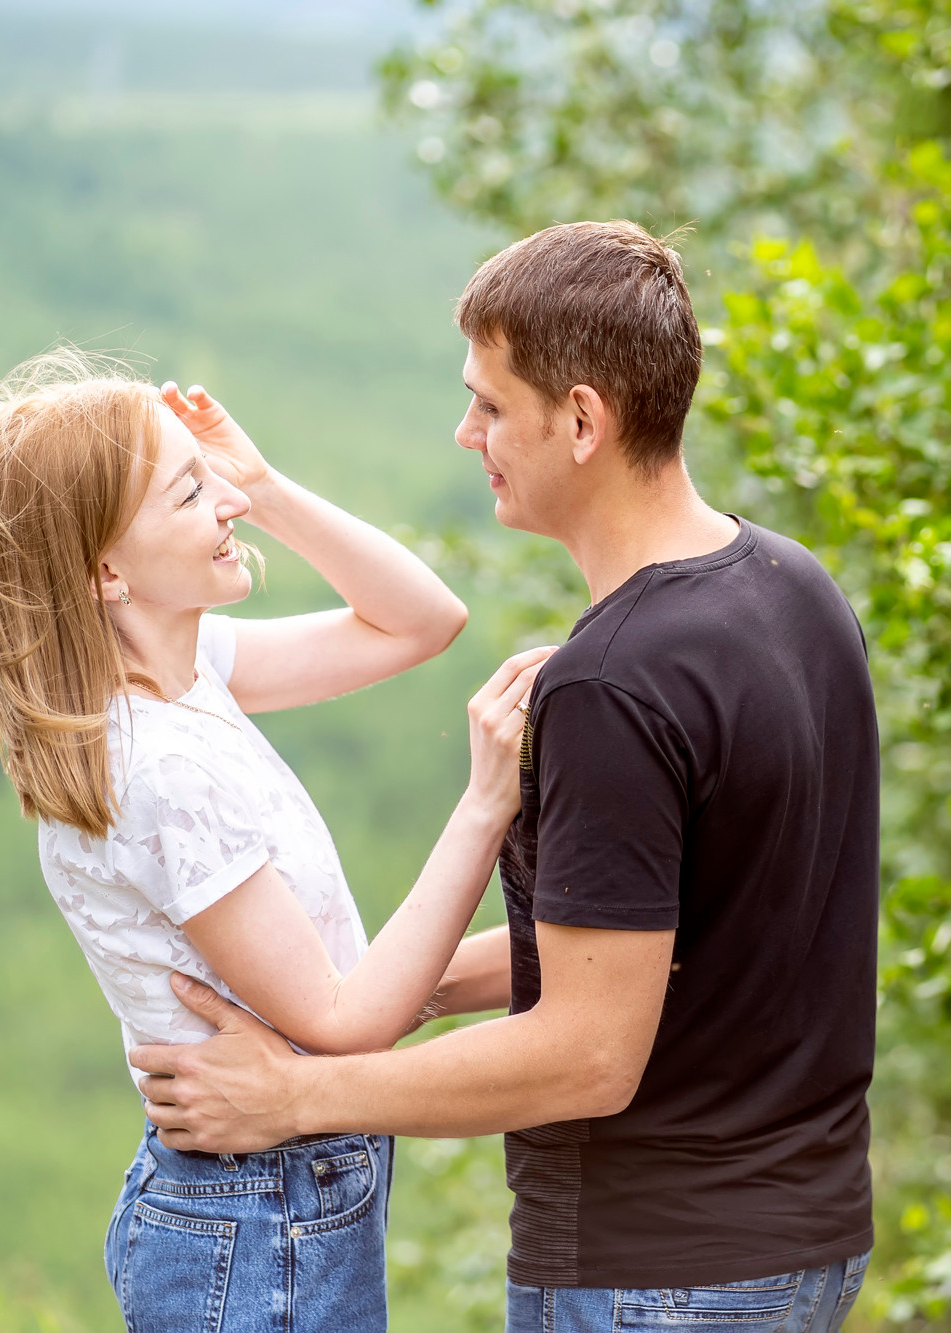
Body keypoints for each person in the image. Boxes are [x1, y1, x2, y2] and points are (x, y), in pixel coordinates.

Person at [130, 221, 881, 1333]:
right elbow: (673, 933)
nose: (464, 430)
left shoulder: (611, 684)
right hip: (798, 1246)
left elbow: (583, 1055)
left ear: (581, 419)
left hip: (652, 1275)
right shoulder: (789, 586)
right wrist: (400, 988)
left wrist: (296, 1096)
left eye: (489, 404)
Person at [0, 348, 550, 1332]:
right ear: (106, 570)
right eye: (190, 493)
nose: (222, 500)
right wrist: (486, 803)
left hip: (273, 1194)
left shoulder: (187, 675)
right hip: (256, 1212)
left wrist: (266, 488)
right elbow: (344, 1019)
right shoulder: (158, 767)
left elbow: (420, 621)